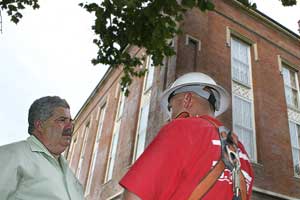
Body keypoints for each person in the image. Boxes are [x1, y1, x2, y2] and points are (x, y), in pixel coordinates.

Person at [120, 72, 254, 200]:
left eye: (171, 108)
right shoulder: (240, 151)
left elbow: (135, 195)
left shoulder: (181, 129)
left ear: (187, 100)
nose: (169, 118)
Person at [0, 96, 84, 200]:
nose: (70, 126)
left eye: (70, 121)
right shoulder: (11, 155)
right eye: (62, 120)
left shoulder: (71, 177)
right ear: (40, 125)